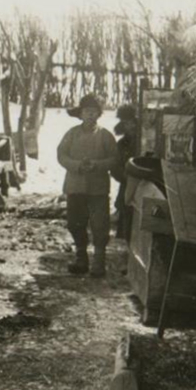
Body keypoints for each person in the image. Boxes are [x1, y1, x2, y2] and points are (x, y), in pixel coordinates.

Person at [57, 93, 119, 277]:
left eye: (94, 112)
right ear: (81, 114)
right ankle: (81, 259)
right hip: (75, 186)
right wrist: (76, 165)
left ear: (99, 115)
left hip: (98, 188)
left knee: (100, 224)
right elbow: (61, 155)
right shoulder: (72, 134)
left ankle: (99, 263)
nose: (90, 115)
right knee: (75, 223)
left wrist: (97, 165)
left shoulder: (106, 136)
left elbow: (115, 159)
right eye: (87, 112)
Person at [111, 104, 139, 241]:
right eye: (126, 123)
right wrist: (125, 176)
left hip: (145, 183)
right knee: (127, 217)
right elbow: (115, 167)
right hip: (127, 185)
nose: (130, 126)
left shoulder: (147, 140)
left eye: (132, 122)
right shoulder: (121, 144)